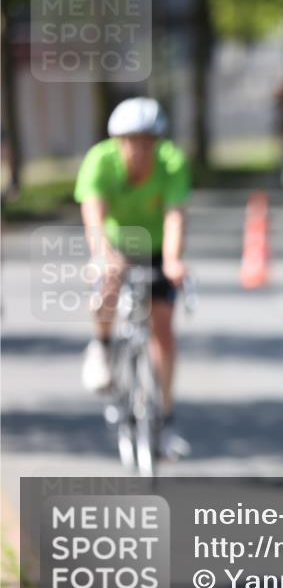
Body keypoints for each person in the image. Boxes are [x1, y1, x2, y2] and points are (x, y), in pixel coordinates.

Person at [76, 97, 191, 458]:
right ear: (117, 141)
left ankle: (166, 418)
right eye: (130, 141)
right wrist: (101, 256)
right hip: (115, 246)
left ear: (157, 142)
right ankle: (103, 345)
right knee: (107, 285)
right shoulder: (100, 162)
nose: (139, 150)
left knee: (164, 330)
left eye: (147, 142)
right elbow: (93, 213)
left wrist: (173, 260)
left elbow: (175, 215)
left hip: (157, 249)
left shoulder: (172, 163)